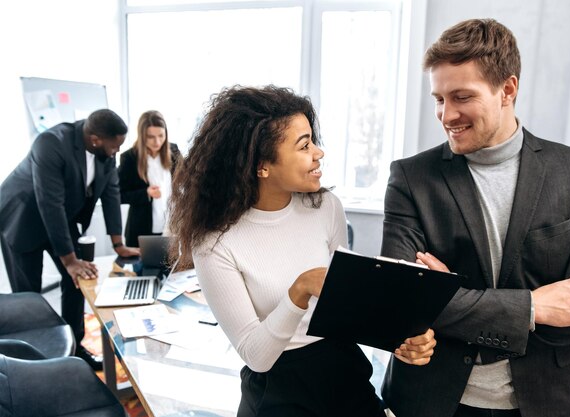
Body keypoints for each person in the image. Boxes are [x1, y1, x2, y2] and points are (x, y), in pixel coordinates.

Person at [381, 18, 570, 417]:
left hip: (551, 399)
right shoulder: (411, 178)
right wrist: (535, 306)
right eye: (438, 98)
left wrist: (447, 297)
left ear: (507, 89)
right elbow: (402, 302)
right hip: (436, 399)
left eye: (462, 97)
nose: (446, 115)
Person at [168, 85, 436, 417]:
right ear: (261, 165)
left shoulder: (326, 207)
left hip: (343, 371)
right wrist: (300, 290)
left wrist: (403, 338)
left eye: (313, 140)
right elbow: (256, 355)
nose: (318, 153)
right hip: (277, 388)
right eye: (304, 145)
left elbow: (344, 312)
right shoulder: (214, 242)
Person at [0, 109, 140, 371]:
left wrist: (118, 244)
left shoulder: (105, 154)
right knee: (29, 296)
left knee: (77, 281)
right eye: (114, 146)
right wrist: (70, 260)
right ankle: (30, 362)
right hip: (22, 218)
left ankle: (75, 348)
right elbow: (49, 203)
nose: (116, 152)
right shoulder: (51, 143)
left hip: (60, 217)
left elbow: (111, 194)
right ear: (96, 139)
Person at [118, 110, 181, 247]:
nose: (157, 141)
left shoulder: (174, 151)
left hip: (172, 227)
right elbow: (118, 195)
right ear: (142, 136)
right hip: (142, 230)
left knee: (172, 267)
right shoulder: (129, 158)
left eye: (161, 135)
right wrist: (146, 193)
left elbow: (186, 181)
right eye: (151, 137)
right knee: (141, 268)